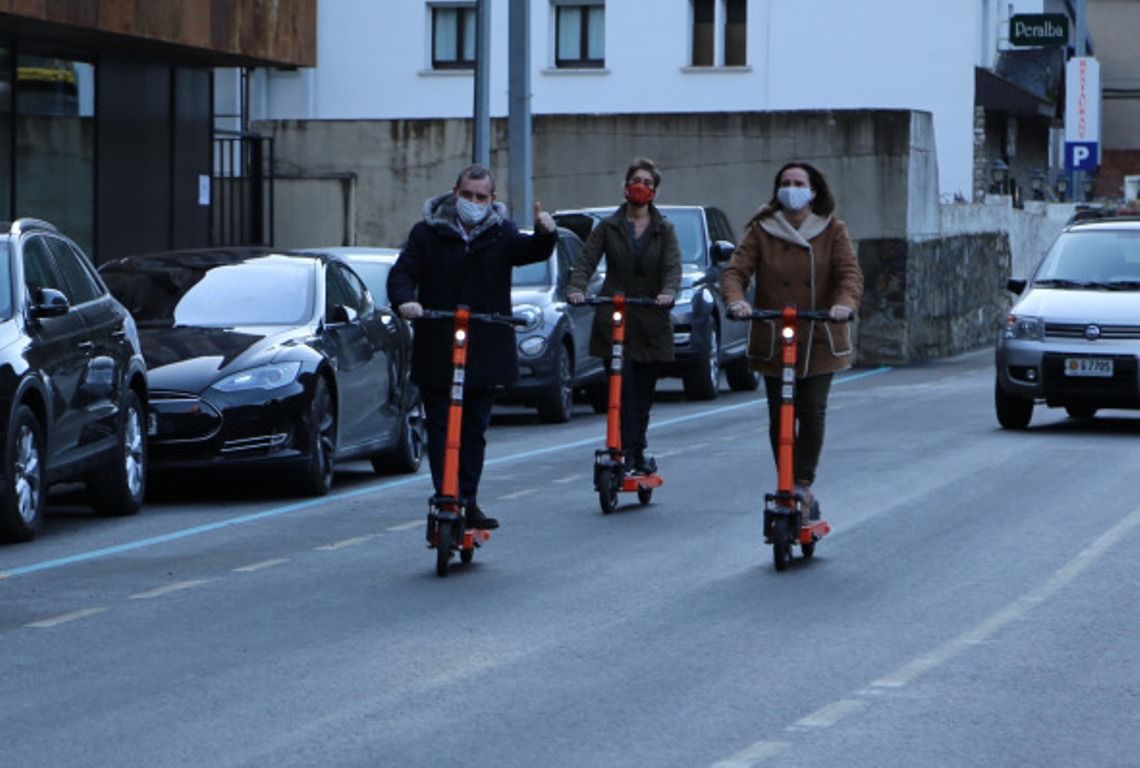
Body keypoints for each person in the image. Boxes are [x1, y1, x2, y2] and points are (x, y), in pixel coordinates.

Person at [387, 163, 557, 529]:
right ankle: (445, 495)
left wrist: (546, 234)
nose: (474, 203)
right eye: (467, 195)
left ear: (492, 200)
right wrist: (405, 301)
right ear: (454, 192)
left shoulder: (501, 233)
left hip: (484, 347)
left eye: (482, 197)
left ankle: (468, 498)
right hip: (438, 345)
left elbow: (530, 250)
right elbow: (402, 273)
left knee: (473, 429)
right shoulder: (426, 233)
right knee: (440, 427)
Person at [721, 161, 863, 519]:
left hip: (818, 334)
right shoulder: (763, 229)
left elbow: (849, 275)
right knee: (779, 413)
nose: (791, 188)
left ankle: (802, 482)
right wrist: (737, 301)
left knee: (811, 411)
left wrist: (843, 305)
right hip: (774, 334)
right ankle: (784, 477)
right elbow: (736, 271)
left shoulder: (833, 230)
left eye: (798, 182)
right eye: (785, 182)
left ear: (813, 191)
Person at [567, 157, 681, 475]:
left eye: (647, 183)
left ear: (654, 191)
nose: (640, 187)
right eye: (636, 181)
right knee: (621, 387)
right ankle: (621, 448)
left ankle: (636, 449)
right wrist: (577, 289)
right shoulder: (608, 227)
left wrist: (668, 294)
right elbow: (586, 260)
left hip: (651, 320)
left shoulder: (664, 229)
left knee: (641, 393)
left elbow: (673, 268)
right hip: (614, 318)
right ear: (625, 186)